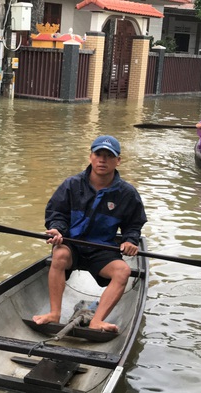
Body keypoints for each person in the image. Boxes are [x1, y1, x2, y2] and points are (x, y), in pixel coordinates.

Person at [33, 135, 147, 332]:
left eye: (109, 156)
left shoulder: (127, 193)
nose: (102, 160)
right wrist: (58, 230)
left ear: (117, 161)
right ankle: (54, 313)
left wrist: (130, 240)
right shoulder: (71, 184)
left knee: (123, 271)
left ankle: (97, 320)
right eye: (98, 154)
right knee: (59, 254)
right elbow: (57, 214)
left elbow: (134, 224)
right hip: (72, 244)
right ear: (91, 157)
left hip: (102, 249)